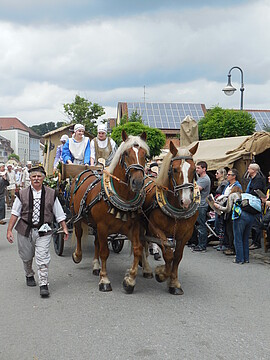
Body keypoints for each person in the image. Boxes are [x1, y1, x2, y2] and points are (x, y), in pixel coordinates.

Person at [6, 166, 69, 298]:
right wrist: (9, 230)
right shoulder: (22, 193)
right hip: (24, 230)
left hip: (44, 231)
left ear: (43, 178)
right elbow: (15, 213)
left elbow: (59, 212)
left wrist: (64, 227)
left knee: (42, 258)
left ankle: (43, 284)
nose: (36, 179)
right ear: (30, 178)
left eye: (39, 176)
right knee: (26, 257)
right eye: (34, 176)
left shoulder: (52, 193)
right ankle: (29, 274)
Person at [214, 186, 247, 263]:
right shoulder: (242, 195)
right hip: (244, 217)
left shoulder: (232, 195)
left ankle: (236, 253)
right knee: (244, 237)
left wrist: (218, 206)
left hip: (233, 217)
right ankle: (246, 257)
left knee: (233, 235)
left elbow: (227, 209)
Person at [220, 169, 242, 256]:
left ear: (234, 176)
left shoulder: (237, 186)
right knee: (227, 229)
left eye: (229, 175)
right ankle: (227, 245)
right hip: (225, 207)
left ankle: (232, 248)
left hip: (231, 210)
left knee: (231, 230)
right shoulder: (228, 185)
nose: (227, 176)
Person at [246, 163, 266, 250]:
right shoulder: (252, 179)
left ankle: (256, 242)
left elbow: (256, 190)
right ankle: (255, 241)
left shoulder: (258, 179)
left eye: (249, 168)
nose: (247, 170)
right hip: (252, 201)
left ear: (253, 170)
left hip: (256, 202)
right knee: (254, 223)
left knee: (256, 223)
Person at [193, 161, 211, 252]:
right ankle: (198, 243)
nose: (196, 170)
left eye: (198, 168)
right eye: (196, 168)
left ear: (204, 169)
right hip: (198, 204)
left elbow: (196, 190)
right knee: (198, 225)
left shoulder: (205, 179)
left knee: (201, 225)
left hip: (202, 205)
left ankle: (202, 245)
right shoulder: (199, 178)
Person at [213, 168, 228, 251]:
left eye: (217, 173)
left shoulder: (224, 184)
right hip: (217, 204)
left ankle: (222, 243)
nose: (216, 174)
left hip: (221, 205)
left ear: (222, 174)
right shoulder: (220, 183)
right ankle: (220, 243)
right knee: (218, 224)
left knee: (221, 224)